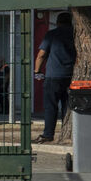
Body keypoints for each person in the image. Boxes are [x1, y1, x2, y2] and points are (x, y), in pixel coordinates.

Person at [33, 11, 75, 143]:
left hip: (53, 76)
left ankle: (48, 134)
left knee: (51, 106)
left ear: (58, 22)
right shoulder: (76, 35)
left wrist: (37, 71)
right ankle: (66, 132)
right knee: (68, 107)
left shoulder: (52, 35)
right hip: (71, 76)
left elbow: (41, 55)